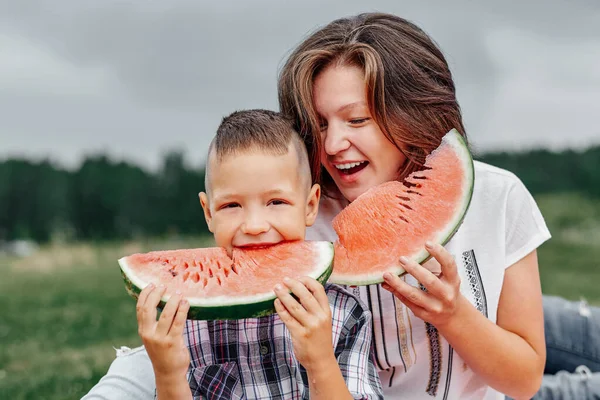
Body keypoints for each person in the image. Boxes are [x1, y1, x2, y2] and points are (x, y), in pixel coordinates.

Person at [82, 12, 600, 400]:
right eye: (321, 124)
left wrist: (453, 314)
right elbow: (212, 312)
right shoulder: (291, 219)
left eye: (357, 120)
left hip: (500, 359)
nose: (332, 146)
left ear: (410, 111)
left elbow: (525, 377)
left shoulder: (496, 195)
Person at [96, 109, 384, 399]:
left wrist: (321, 362)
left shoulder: (344, 313)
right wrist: (168, 374)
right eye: (232, 206)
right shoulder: (187, 317)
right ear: (208, 213)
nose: (255, 226)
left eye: (276, 201)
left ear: (310, 206)